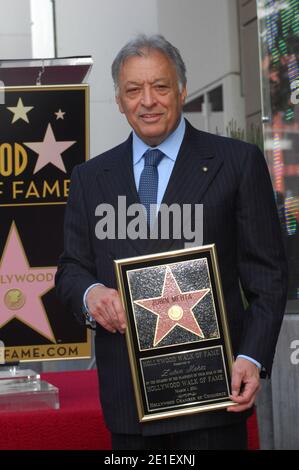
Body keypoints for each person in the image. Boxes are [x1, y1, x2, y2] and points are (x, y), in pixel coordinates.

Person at [55, 34, 288, 450]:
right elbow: (71, 268)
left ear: (181, 89)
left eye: (160, 87)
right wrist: (91, 295)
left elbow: (268, 276)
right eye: (133, 90)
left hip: (214, 395)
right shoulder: (90, 179)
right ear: (119, 100)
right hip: (129, 404)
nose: (148, 101)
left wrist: (252, 357)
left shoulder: (236, 163)